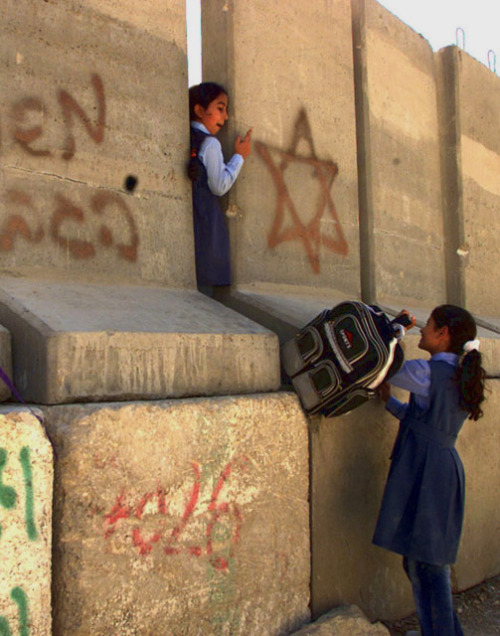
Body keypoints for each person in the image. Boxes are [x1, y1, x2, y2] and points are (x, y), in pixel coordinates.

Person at [373, 304, 487, 636]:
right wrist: (391, 403)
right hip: (440, 467)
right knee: (422, 559)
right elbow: (425, 422)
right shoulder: (453, 374)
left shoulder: (427, 373)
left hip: (428, 471)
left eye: (429, 325)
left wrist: (397, 331)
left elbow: (385, 365)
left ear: (444, 334)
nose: (423, 329)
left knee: (429, 564)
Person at [188, 82, 252, 297]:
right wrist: (239, 156)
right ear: (199, 110)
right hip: (206, 225)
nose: (225, 118)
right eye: (220, 108)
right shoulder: (211, 144)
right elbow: (218, 186)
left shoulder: (187, 136)